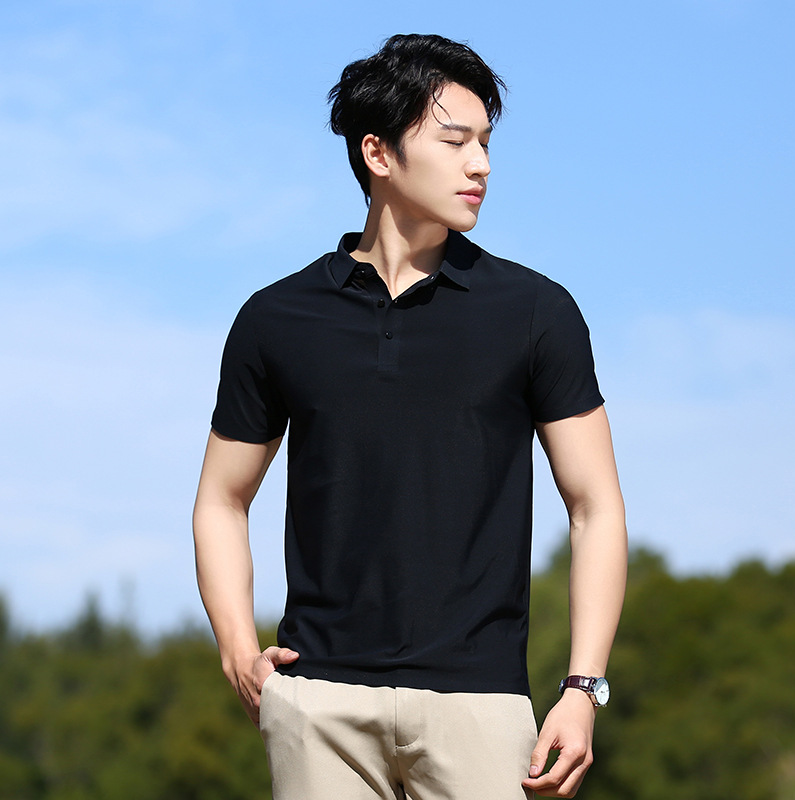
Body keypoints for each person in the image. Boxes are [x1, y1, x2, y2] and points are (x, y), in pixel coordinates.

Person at [193, 33, 627, 800]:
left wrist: (582, 688)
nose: (480, 164)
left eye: (486, 143)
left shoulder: (536, 312)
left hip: (481, 706)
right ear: (378, 153)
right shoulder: (276, 318)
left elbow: (596, 507)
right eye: (455, 141)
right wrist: (236, 646)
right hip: (318, 704)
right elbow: (221, 500)